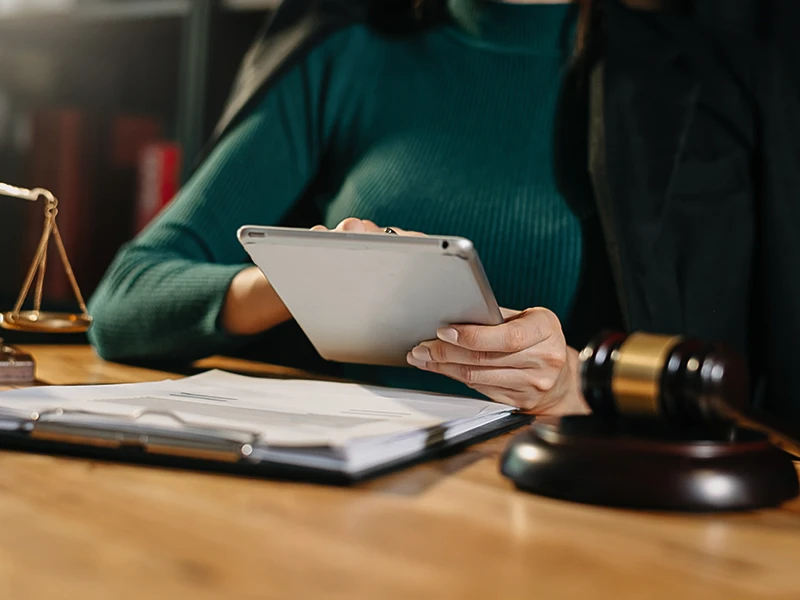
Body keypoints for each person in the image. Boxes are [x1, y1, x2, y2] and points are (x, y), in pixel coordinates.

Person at [87, 0, 800, 422]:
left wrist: (576, 382)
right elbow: (123, 301)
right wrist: (301, 279)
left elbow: (753, 388)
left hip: (578, 509)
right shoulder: (345, 51)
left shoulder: (714, 78)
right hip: (348, 489)